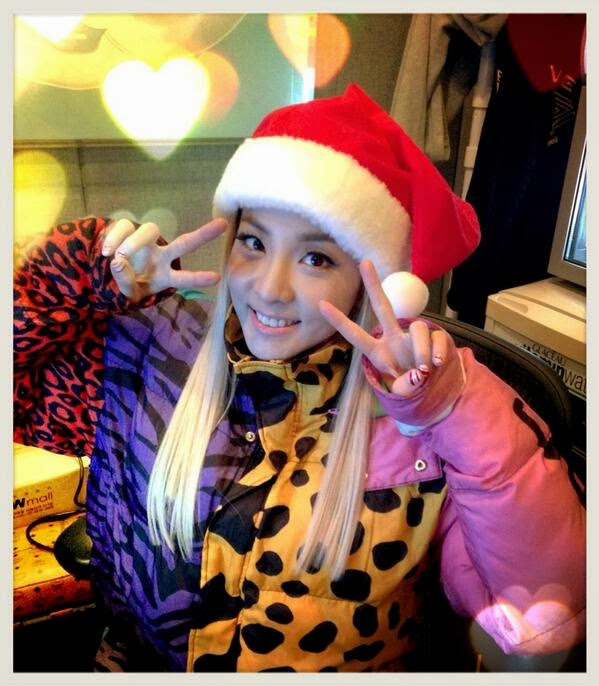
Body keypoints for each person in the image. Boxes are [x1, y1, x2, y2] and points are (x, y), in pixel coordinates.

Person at [13, 84, 585, 672]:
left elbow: (539, 623)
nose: (269, 287)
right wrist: (75, 276)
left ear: (374, 282)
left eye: (317, 258)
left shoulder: (418, 431)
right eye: (253, 242)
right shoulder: (154, 355)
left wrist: (455, 411)